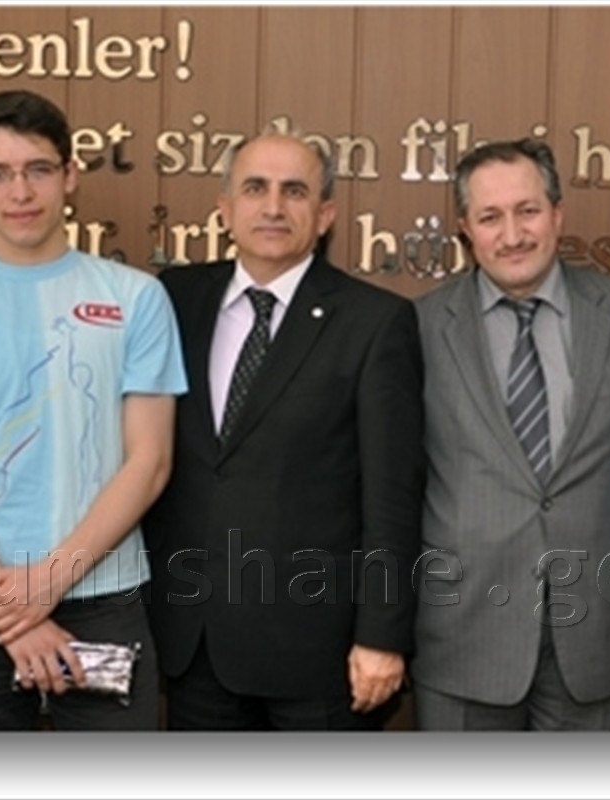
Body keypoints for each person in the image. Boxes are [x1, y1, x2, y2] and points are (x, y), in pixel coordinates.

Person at [0, 90, 185, 730]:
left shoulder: (137, 298)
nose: (20, 191)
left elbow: (150, 462)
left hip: (103, 598)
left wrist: (48, 582)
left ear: (69, 175)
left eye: (38, 169)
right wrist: (10, 609)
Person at [141, 131, 425, 730]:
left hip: (318, 655)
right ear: (225, 209)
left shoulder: (375, 322)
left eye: (294, 191)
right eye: (255, 188)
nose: (273, 207)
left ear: (325, 215)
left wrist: (381, 635)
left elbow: (392, 499)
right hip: (196, 643)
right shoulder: (173, 299)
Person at [409, 138, 610, 730]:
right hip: (463, 633)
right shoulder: (418, 328)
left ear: (558, 214)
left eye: (528, 211)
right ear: (465, 229)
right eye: (490, 217)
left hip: (597, 635)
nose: (512, 234)